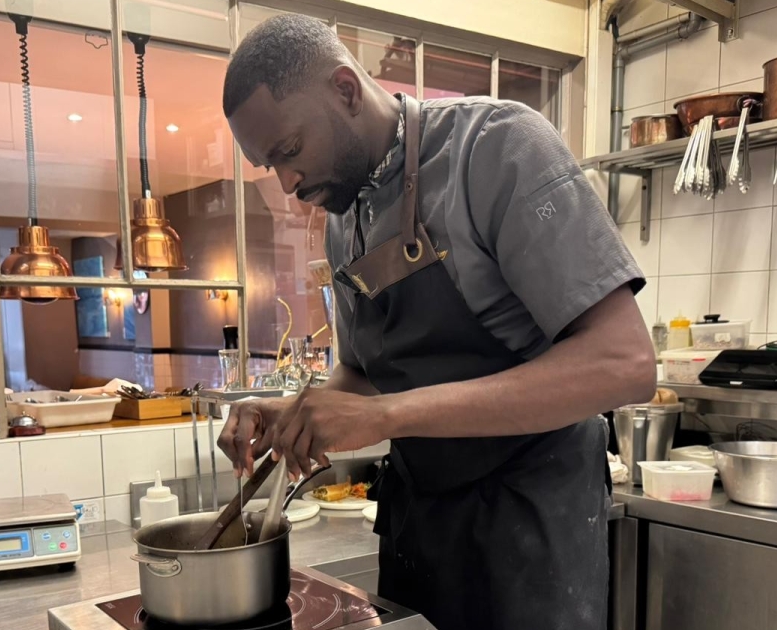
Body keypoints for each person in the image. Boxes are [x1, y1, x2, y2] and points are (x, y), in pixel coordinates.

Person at [217, 14, 656, 630]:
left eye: (289, 151)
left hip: (528, 518)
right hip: (423, 522)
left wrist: (387, 416)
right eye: (270, 165)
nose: (288, 185)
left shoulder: (498, 147)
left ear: (344, 89)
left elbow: (625, 364)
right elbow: (365, 373)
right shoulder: (346, 214)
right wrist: (297, 409)